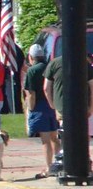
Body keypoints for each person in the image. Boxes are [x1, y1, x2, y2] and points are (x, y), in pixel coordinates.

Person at [24, 44, 60, 177]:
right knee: (54, 138)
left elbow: (31, 93)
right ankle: (58, 164)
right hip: (52, 104)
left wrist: (30, 107)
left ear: (31, 57)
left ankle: (49, 167)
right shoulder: (50, 66)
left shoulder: (32, 71)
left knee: (45, 140)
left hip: (39, 106)